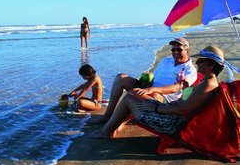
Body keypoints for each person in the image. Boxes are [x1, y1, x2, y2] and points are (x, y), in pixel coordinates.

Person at [91, 46, 231, 138]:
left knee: (129, 98)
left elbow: (183, 109)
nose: (197, 62)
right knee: (133, 93)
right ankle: (112, 124)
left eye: (201, 60)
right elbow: (183, 105)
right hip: (172, 114)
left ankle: (106, 131)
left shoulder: (207, 84)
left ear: (211, 64)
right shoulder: (207, 82)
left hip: (172, 124)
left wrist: (156, 107)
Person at [88, 37, 197, 124]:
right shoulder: (166, 61)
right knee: (121, 78)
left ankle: (119, 121)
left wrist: (152, 89)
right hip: (151, 88)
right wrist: (145, 83)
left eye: (179, 49)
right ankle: (107, 115)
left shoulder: (189, 69)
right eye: (173, 49)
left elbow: (177, 87)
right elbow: (154, 77)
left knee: (136, 93)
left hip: (165, 98)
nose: (175, 52)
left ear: (187, 51)